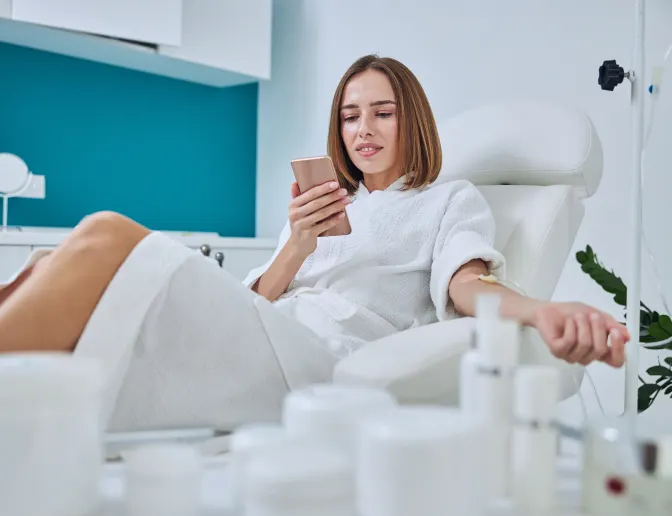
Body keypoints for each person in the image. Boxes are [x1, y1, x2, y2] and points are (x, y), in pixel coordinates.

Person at [0, 55, 629, 431]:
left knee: (107, 233)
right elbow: (262, 297)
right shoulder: (324, 205)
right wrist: (298, 243)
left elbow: (469, 288)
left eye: (383, 111)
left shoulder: (447, 199)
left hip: (317, 357)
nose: (364, 129)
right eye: (351, 115)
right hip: (259, 326)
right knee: (52, 258)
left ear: (412, 118)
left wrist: (544, 311)